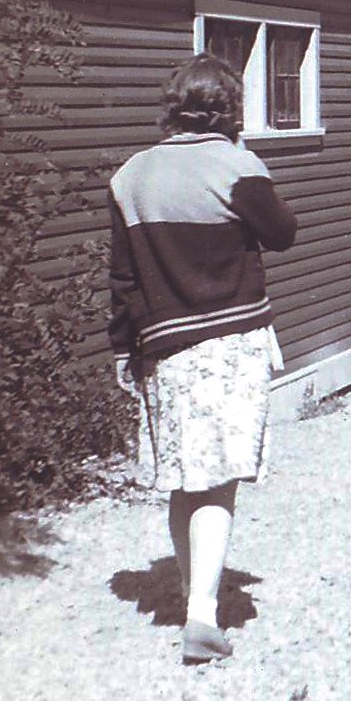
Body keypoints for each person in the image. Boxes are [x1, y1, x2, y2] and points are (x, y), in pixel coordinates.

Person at [108, 53, 298, 665]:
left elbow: (122, 276)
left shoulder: (130, 176)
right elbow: (282, 233)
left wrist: (121, 347)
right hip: (229, 342)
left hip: (162, 344)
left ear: (171, 107)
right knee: (218, 479)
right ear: (230, 111)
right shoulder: (237, 166)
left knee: (186, 478)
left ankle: (195, 596)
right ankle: (202, 618)